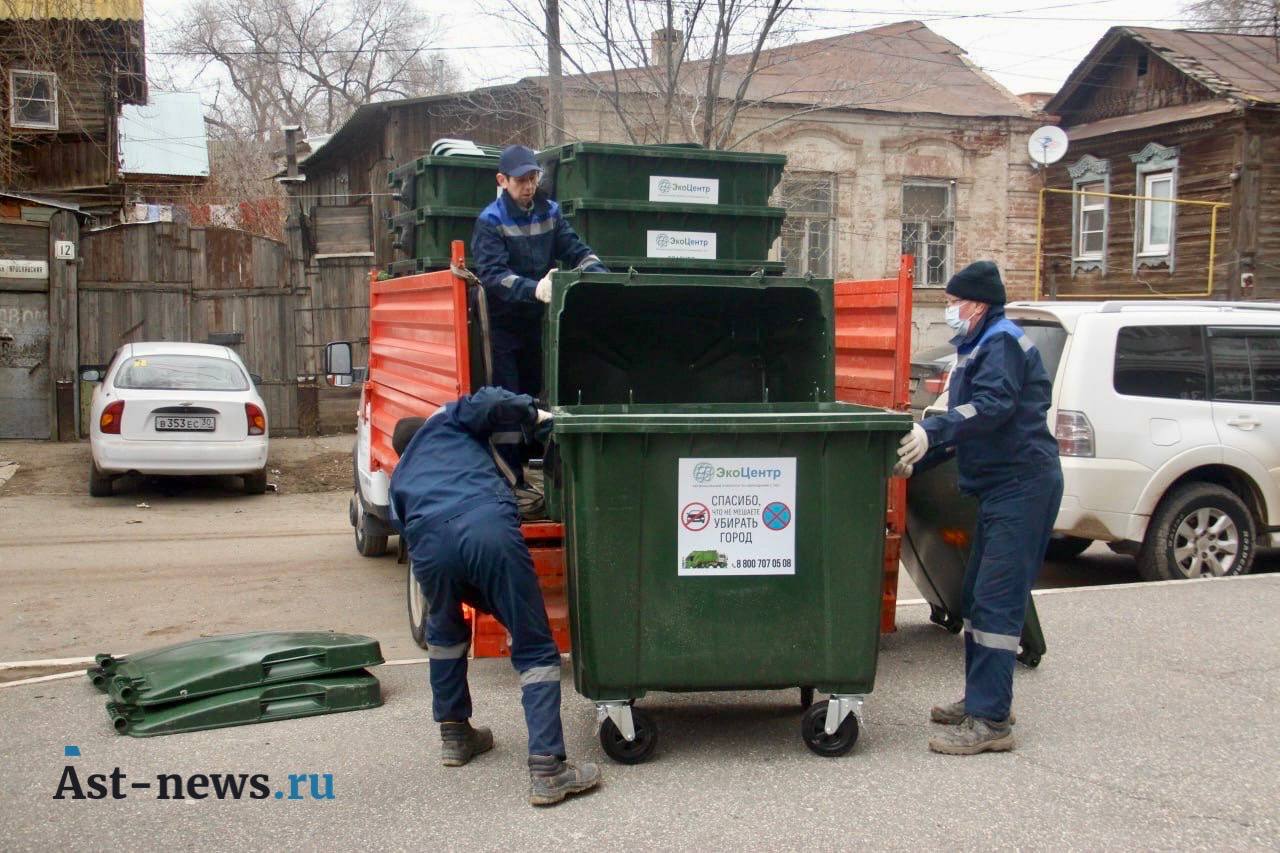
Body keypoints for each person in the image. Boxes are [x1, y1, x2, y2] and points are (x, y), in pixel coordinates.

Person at [388, 386, 601, 806]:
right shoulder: (448, 419)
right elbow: (487, 401)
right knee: (534, 643)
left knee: (445, 630)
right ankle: (548, 768)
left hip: (427, 542)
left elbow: (405, 522)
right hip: (484, 522)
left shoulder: (404, 472)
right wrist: (537, 414)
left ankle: (455, 735)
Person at [895, 260, 1063, 756]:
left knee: (995, 599)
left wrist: (934, 431)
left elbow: (992, 409)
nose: (948, 310)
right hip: (1000, 488)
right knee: (975, 593)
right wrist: (923, 455)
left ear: (978, 303)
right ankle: (983, 699)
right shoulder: (978, 347)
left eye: (952, 303)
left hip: (1022, 486)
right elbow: (973, 424)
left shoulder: (1002, 342)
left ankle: (991, 722)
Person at [471, 144, 607, 482]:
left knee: (542, 395)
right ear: (502, 180)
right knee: (509, 399)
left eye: (533, 178)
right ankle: (508, 479)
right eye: (521, 180)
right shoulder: (491, 221)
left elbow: (575, 249)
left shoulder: (550, 212)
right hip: (503, 325)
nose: (529, 186)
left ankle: (546, 473)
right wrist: (532, 289)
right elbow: (492, 275)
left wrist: (600, 277)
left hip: (541, 323)